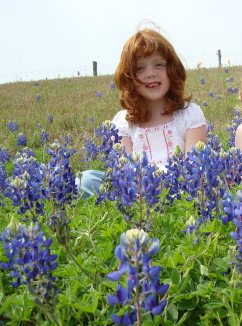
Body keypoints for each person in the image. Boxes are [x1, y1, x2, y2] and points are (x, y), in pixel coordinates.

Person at [78, 27, 207, 198]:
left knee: (205, 184)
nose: (150, 73)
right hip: (136, 190)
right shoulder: (123, 122)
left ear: (172, 69)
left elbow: (194, 166)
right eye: (140, 68)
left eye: (158, 65)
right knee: (85, 180)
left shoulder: (189, 113)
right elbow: (124, 169)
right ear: (128, 77)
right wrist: (145, 183)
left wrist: (166, 182)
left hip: (179, 187)